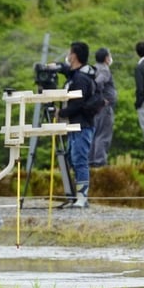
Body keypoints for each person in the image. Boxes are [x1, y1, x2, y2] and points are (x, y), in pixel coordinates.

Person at [50, 41, 99, 208]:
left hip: (81, 125)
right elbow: (68, 71)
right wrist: (56, 67)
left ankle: (82, 197)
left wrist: (60, 113)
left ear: (75, 56)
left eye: (70, 53)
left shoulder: (81, 79)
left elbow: (78, 104)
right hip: (74, 125)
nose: (68, 56)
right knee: (72, 158)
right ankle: (77, 195)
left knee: (80, 159)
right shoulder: (77, 75)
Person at [89, 47, 118, 167]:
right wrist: (100, 98)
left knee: (94, 134)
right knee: (103, 134)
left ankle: (90, 160)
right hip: (103, 107)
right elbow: (98, 82)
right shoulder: (104, 70)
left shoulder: (92, 68)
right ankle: (99, 161)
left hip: (94, 107)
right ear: (106, 58)